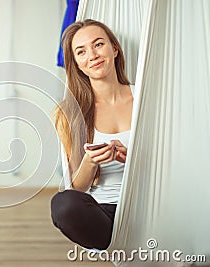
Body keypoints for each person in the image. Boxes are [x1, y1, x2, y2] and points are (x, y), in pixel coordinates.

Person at [51, 19, 134, 250]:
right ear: (77, 64)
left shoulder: (146, 101)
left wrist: (133, 159)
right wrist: (90, 161)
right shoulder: (69, 114)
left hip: (151, 206)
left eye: (99, 45)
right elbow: (77, 189)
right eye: (81, 51)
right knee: (63, 204)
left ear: (114, 49)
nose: (93, 55)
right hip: (104, 213)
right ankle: (120, 245)